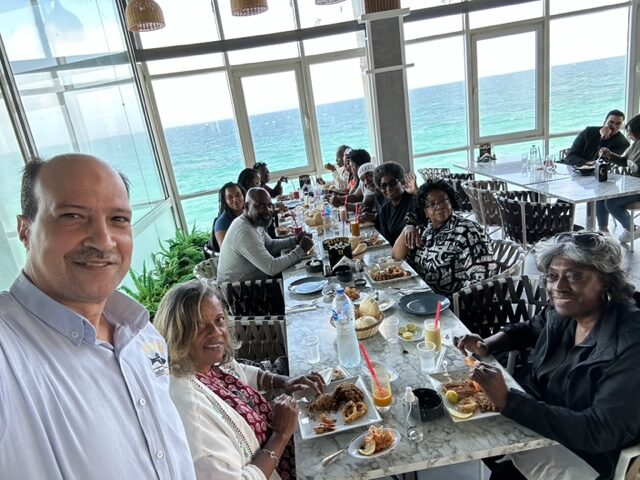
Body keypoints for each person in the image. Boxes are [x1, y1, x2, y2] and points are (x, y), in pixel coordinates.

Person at [0, 154, 195, 479]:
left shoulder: (141, 334)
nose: (103, 240)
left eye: (118, 219)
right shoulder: (9, 352)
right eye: (72, 215)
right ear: (25, 231)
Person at [456, 231, 640, 480]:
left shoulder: (630, 341)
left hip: (590, 454)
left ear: (606, 281)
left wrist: (509, 400)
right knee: (471, 436)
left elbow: (600, 430)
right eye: (553, 276)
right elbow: (531, 328)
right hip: (542, 418)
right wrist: (486, 345)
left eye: (575, 276)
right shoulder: (566, 312)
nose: (559, 286)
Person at [155, 280, 324, 480]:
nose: (217, 332)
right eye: (200, 326)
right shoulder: (191, 414)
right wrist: (280, 436)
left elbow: (238, 371)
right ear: (178, 334)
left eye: (219, 320)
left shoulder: (206, 363)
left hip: (297, 448)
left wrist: (281, 381)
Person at [392, 180, 496, 297]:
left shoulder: (467, 231)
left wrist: (452, 304)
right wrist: (408, 227)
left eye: (443, 200)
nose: (439, 206)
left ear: (451, 202)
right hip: (422, 295)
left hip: (454, 305)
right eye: (431, 204)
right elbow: (397, 256)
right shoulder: (426, 229)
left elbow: (483, 278)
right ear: (425, 212)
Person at [217, 187, 314, 283]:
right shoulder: (244, 231)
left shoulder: (254, 221)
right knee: (304, 277)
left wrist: (295, 240)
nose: (267, 210)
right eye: (260, 206)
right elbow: (272, 268)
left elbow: (270, 245)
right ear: (246, 206)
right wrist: (301, 250)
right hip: (240, 292)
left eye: (269, 205)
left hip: (255, 282)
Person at [596, 113, 640, 242]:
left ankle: (632, 229)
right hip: (632, 185)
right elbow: (625, 161)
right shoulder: (636, 143)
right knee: (601, 196)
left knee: (611, 202)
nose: (629, 135)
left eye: (631, 132)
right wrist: (610, 155)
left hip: (638, 189)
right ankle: (603, 230)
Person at [563, 109, 629, 166]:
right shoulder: (588, 132)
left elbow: (601, 162)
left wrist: (604, 138)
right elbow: (570, 156)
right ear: (604, 122)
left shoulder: (623, 143)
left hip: (597, 174)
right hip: (574, 167)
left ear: (621, 126)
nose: (614, 126)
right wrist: (587, 163)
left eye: (618, 124)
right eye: (611, 122)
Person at [373, 161, 414, 245]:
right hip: (395, 251)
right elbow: (385, 239)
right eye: (384, 186)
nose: (388, 188)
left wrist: (416, 191)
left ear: (401, 182)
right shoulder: (385, 210)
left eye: (392, 183)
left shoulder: (413, 201)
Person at [207, 182, 245, 252]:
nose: (235, 199)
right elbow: (225, 252)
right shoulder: (222, 223)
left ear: (243, 195)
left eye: (238, 195)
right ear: (225, 201)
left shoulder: (250, 214)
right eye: (230, 197)